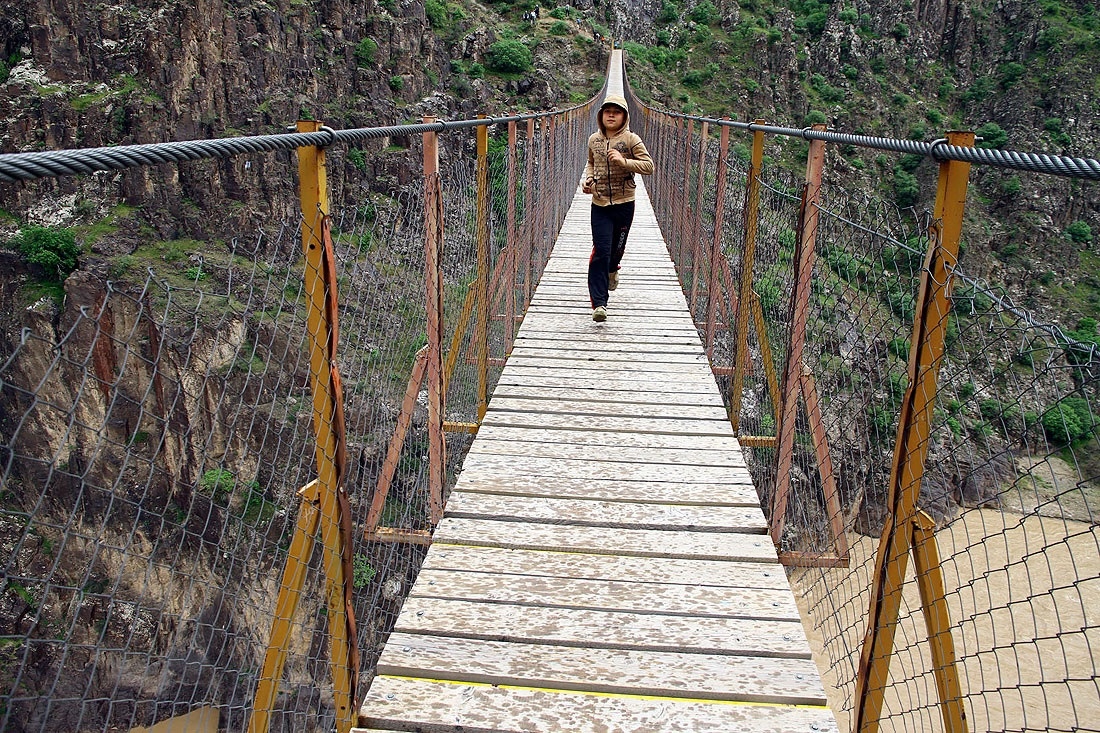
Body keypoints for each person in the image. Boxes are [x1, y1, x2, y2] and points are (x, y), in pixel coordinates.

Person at [582, 94, 654, 322]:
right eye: (607, 111)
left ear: (624, 116)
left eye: (617, 111)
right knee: (600, 251)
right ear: (601, 115)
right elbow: (591, 162)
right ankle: (599, 304)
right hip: (600, 204)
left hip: (624, 204)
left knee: (616, 251)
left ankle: (613, 270)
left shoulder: (632, 140)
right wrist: (588, 180)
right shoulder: (593, 139)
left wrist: (624, 162)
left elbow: (648, 166)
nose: (611, 115)